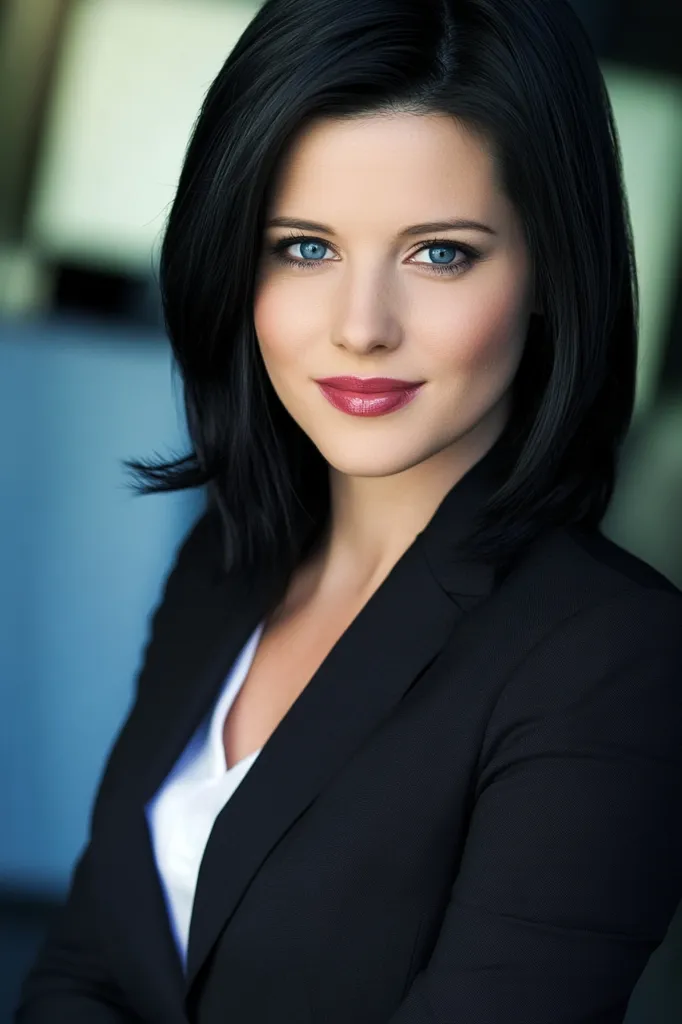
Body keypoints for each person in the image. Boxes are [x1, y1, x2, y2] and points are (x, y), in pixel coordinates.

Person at [16, 0, 682, 1021]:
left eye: (440, 253)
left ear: (550, 267)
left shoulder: (613, 657)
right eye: (305, 248)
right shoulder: (227, 562)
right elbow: (91, 963)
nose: (361, 328)